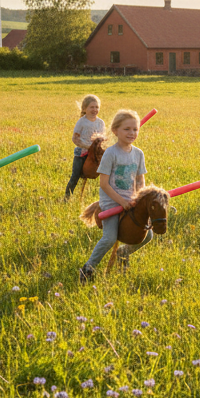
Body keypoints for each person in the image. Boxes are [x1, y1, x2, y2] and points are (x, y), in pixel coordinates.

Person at [79, 109, 147, 281]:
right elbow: (104, 184)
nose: (132, 133)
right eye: (127, 129)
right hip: (111, 202)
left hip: (131, 202)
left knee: (149, 235)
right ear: (115, 130)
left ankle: (124, 252)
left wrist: (137, 198)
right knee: (110, 238)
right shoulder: (111, 153)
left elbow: (140, 181)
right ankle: (88, 268)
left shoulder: (138, 154)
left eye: (135, 129)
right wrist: (120, 201)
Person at [65, 94, 104, 199]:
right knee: (75, 176)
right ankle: (67, 197)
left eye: (97, 107)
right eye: (92, 107)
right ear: (84, 108)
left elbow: (102, 139)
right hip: (81, 154)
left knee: (105, 174)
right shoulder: (82, 122)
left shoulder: (100, 123)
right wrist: (87, 146)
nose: (94, 109)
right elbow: (75, 138)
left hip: (94, 155)